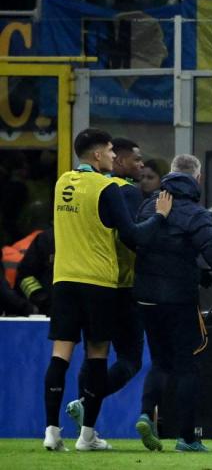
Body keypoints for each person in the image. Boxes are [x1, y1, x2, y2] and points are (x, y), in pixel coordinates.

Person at [42, 129, 171, 452]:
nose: (114, 156)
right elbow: (131, 235)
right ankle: (87, 436)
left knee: (60, 356)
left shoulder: (62, 183)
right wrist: (159, 217)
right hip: (98, 283)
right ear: (98, 155)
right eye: (111, 151)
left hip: (64, 280)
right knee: (97, 356)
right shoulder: (107, 187)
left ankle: (51, 432)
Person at [132, 154, 212, 452]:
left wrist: (196, 271)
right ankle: (186, 438)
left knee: (160, 361)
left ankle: (145, 414)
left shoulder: (149, 206)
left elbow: (147, 245)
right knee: (187, 366)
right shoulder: (196, 214)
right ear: (198, 178)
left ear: (170, 175)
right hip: (179, 300)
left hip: (145, 296)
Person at [63, 138, 147, 433]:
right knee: (130, 360)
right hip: (123, 283)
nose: (141, 165)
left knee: (94, 354)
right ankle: (86, 404)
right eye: (136, 159)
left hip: (90, 280)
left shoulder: (86, 188)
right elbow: (132, 235)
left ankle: (84, 421)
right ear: (119, 161)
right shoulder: (127, 192)